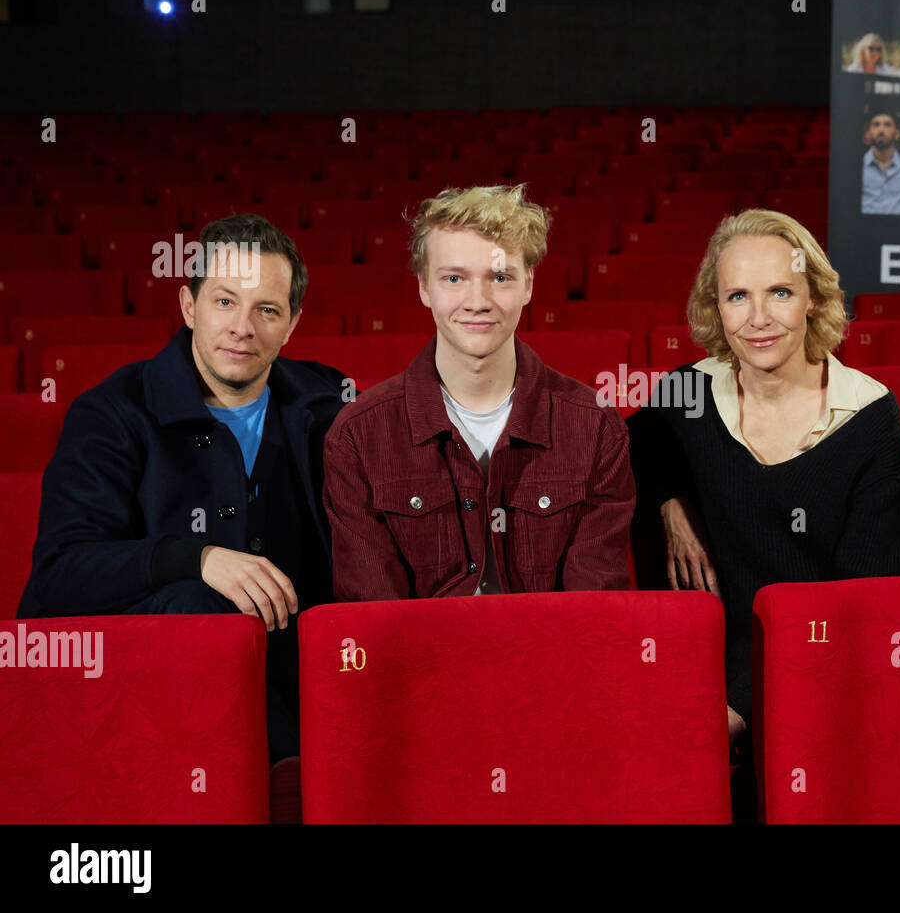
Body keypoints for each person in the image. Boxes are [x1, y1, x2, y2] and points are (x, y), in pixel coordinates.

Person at [18, 213, 346, 764]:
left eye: (267, 310)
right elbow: (57, 580)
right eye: (223, 302)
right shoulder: (112, 411)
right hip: (158, 692)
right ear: (188, 306)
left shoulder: (328, 404)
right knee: (199, 606)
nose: (243, 326)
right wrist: (197, 558)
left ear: (291, 325)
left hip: (300, 670)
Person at [628, 209, 900, 822]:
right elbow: (634, 446)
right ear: (716, 307)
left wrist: (738, 704)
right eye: (738, 296)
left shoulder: (869, 415)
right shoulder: (687, 394)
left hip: (828, 669)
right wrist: (671, 504)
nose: (758, 318)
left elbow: (860, 602)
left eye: (780, 292)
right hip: (710, 664)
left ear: (813, 298)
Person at [323, 184, 635, 603]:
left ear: (528, 286)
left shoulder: (595, 426)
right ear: (423, 286)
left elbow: (592, 613)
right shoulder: (357, 435)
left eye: (500, 277)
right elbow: (375, 618)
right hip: (420, 665)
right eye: (454, 278)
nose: (478, 302)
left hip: (549, 661)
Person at [860, 110, 900, 215]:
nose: (881, 130)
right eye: (876, 125)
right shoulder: (857, 166)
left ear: (897, 134)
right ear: (868, 134)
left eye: (887, 125)